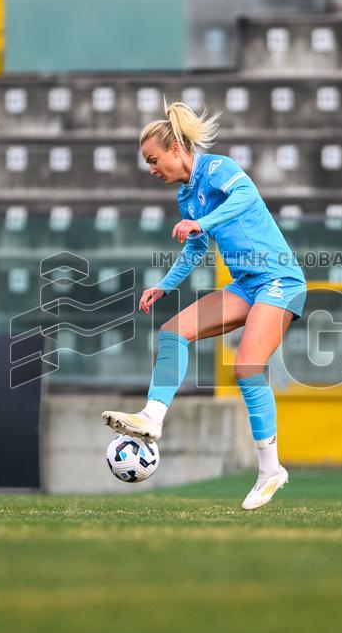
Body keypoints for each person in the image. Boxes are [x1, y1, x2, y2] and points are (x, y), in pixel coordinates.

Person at [102, 102, 307, 510]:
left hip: (280, 280)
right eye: (147, 162)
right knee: (172, 331)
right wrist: (164, 285)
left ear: (176, 149)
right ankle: (152, 418)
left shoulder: (217, 169)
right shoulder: (186, 197)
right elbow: (195, 250)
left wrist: (203, 223)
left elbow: (246, 196)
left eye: (153, 159)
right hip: (248, 285)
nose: (151, 169)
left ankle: (271, 470)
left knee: (247, 365)